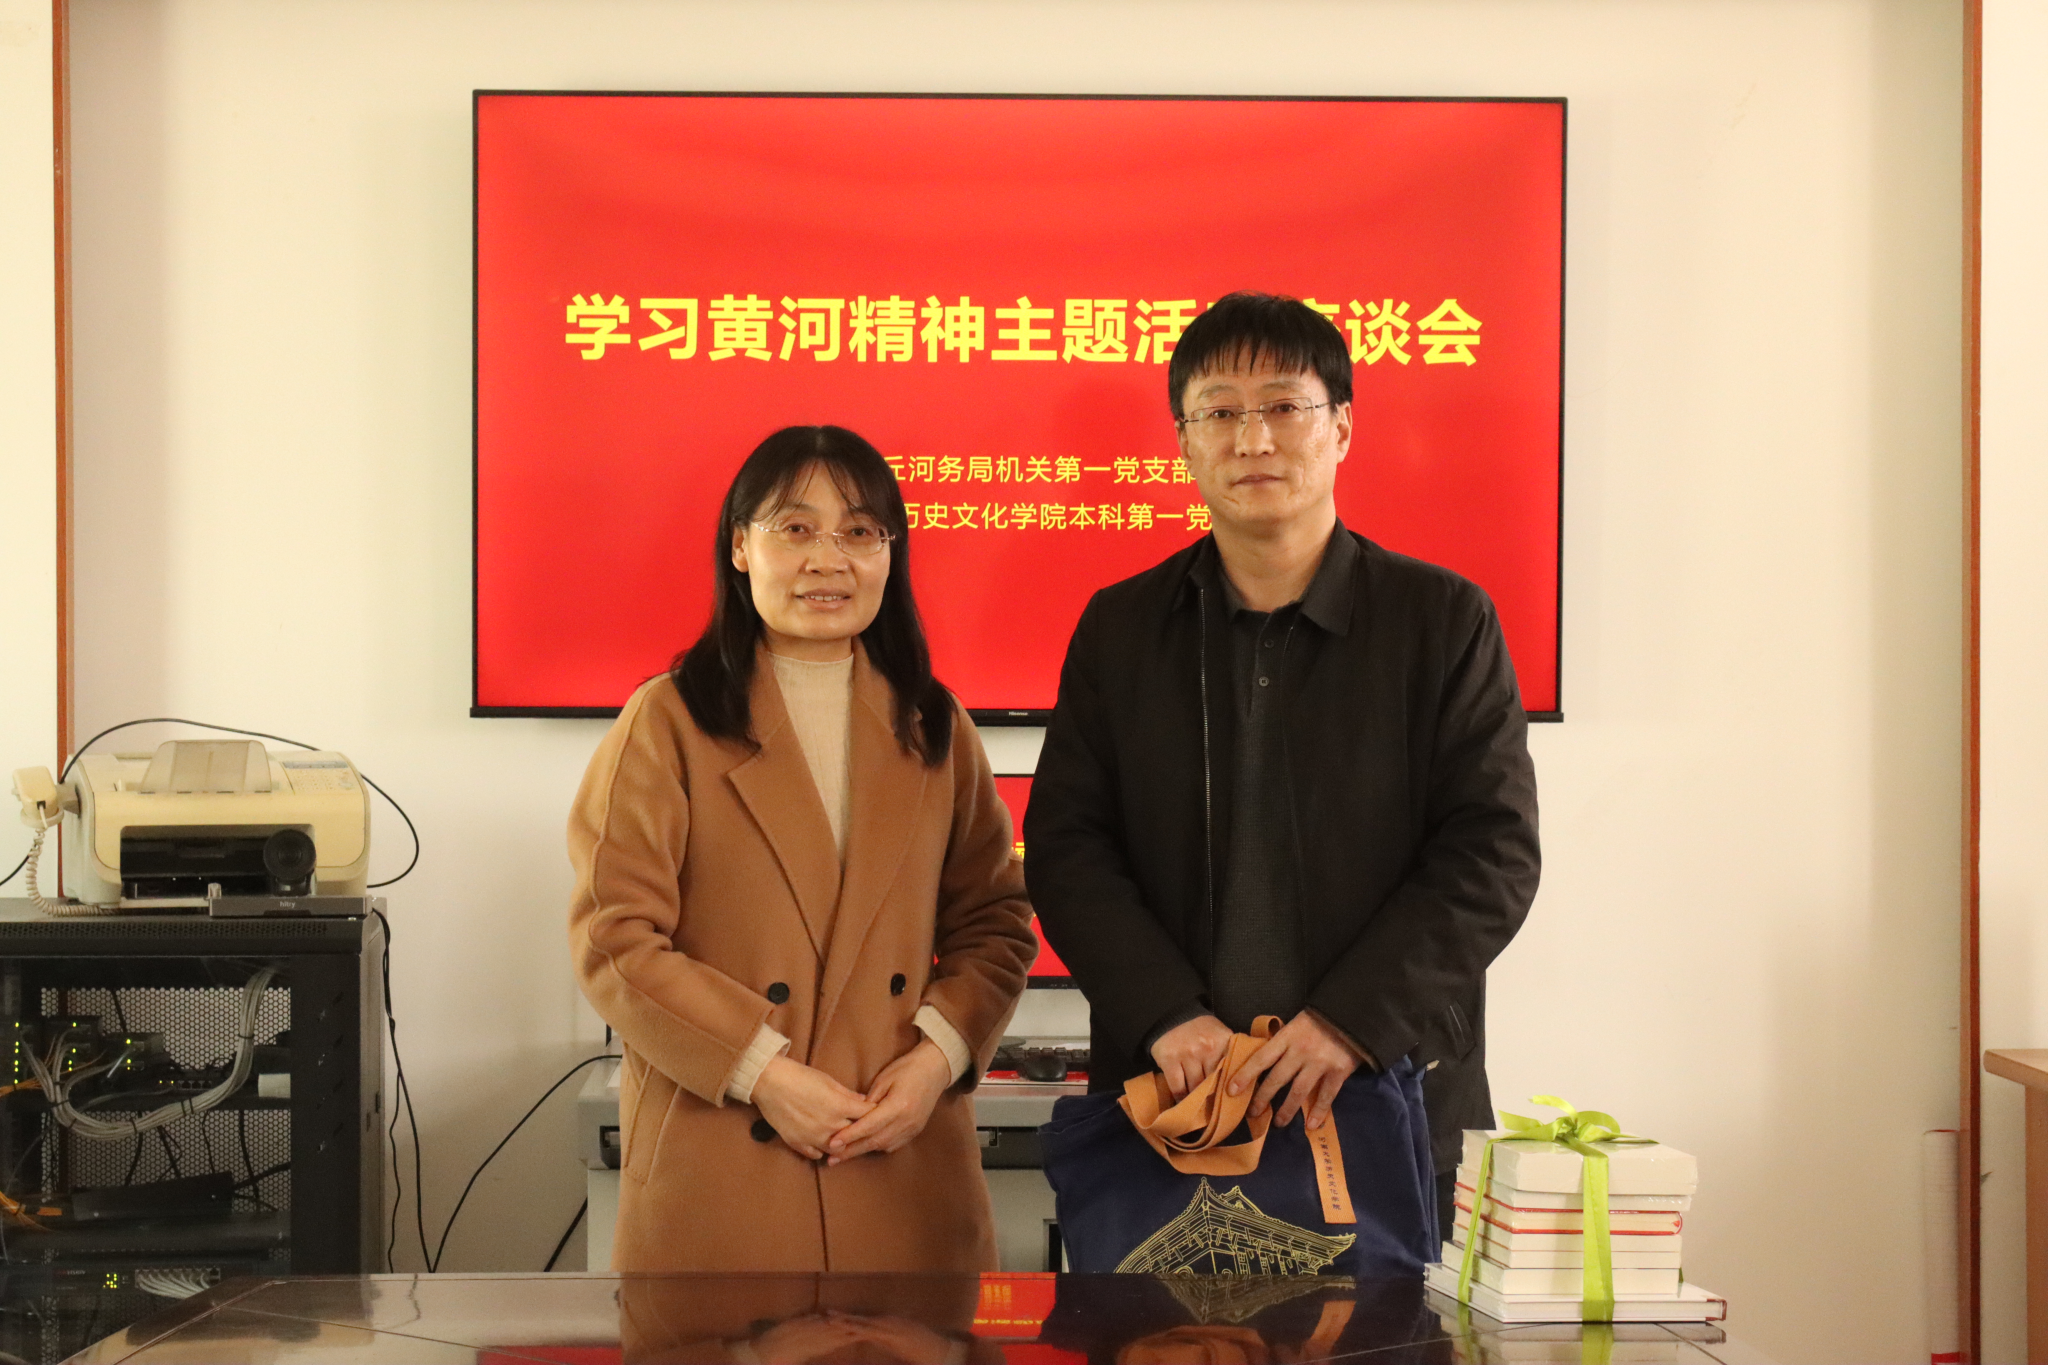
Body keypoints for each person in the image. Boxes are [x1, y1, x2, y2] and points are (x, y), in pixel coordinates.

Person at [1025, 292, 1539, 1239]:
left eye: (1283, 406)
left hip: (1386, 1095)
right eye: (1219, 411)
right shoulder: (1123, 628)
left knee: (1391, 1324)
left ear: (1341, 426)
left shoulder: (1441, 621)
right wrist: (1165, 1014)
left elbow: (1491, 853)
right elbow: (1068, 846)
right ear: (1185, 442)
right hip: (1179, 1104)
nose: (1252, 437)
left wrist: (1349, 1021)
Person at [568, 425, 1037, 1272]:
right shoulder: (668, 721)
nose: (829, 558)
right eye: (795, 528)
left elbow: (996, 923)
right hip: (725, 1166)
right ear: (740, 547)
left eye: (860, 531)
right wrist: (764, 1073)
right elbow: (616, 938)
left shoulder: (934, 724)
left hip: (903, 1160)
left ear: (890, 554)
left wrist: (935, 1063)